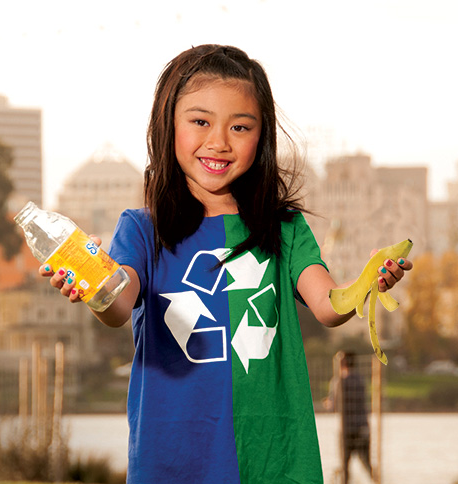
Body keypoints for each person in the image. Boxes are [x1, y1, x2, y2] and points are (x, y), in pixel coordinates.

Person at [40, 44, 412, 484]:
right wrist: (93, 283)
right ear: (168, 126)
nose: (218, 141)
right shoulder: (141, 230)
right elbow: (118, 305)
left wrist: (369, 280)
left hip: (275, 459)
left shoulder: (285, 229)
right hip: (173, 460)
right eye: (200, 121)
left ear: (263, 136)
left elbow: (329, 306)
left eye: (240, 126)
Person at [324, 351, 373, 483]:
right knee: (367, 464)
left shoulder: (338, 382)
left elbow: (333, 406)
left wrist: (327, 403)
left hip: (346, 429)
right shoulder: (360, 380)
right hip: (362, 427)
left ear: (341, 364)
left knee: (345, 465)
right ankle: (378, 481)